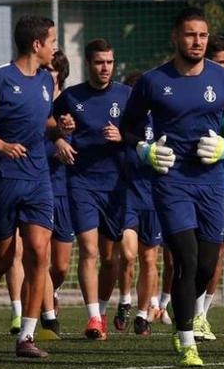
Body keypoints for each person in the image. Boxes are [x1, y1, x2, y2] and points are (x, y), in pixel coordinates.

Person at [121, 7, 224, 366]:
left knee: (207, 266)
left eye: (203, 35)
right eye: (191, 35)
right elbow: (128, 128)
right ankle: (186, 340)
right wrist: (144, 150)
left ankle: (182, 314)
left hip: (211, 182)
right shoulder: (151, 81)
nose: (198, 42)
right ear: (175, 37)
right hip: (171, 180)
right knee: (187, 259)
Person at [0, 14, 66, 358]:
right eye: (52, 41)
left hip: (37, 179)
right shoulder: (0, 78)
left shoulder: (48, 81)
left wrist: (59, 126)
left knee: (38, 252)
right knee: (3, 260)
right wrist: (0, 145)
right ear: (37, 44)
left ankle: (26, 337)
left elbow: (42, 120)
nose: (55, 48)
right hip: (2, 178)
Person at [52, 38, 131, 340]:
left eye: (109, 62)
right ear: (88, 64)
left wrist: (123, 136)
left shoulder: (127, 95)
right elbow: (48, 124)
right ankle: (94, 318)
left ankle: (103, 306)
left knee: (110, 257)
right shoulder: (71, 97)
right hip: (81, 181)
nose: (105, 68)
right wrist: (60, 136)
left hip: (115, 185)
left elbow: (141, 132)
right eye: (100, 62)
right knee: (88, 250)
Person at [192, 34, 224, 341]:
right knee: (188, 251)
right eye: (222, 62)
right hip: (192, 180)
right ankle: (181, 305)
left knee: (216, 251)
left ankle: (201, 315)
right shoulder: (195, 88)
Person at [119, 72, 163, 337]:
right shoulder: (125, 122)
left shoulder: (163, 119)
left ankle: (142, 313)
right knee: (128, 254)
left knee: (149, 258)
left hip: (155, 197)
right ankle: (124, 299)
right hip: (128, 196)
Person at [37, 50, 71, 340]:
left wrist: (67, 139)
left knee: (60, 265)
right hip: (38, 188)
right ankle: (47, 319)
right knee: (39, 255)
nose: (47, 73)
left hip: (64, 191)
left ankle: (52, 291)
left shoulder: (69, 105)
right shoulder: (33, 103)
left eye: (51, 69)